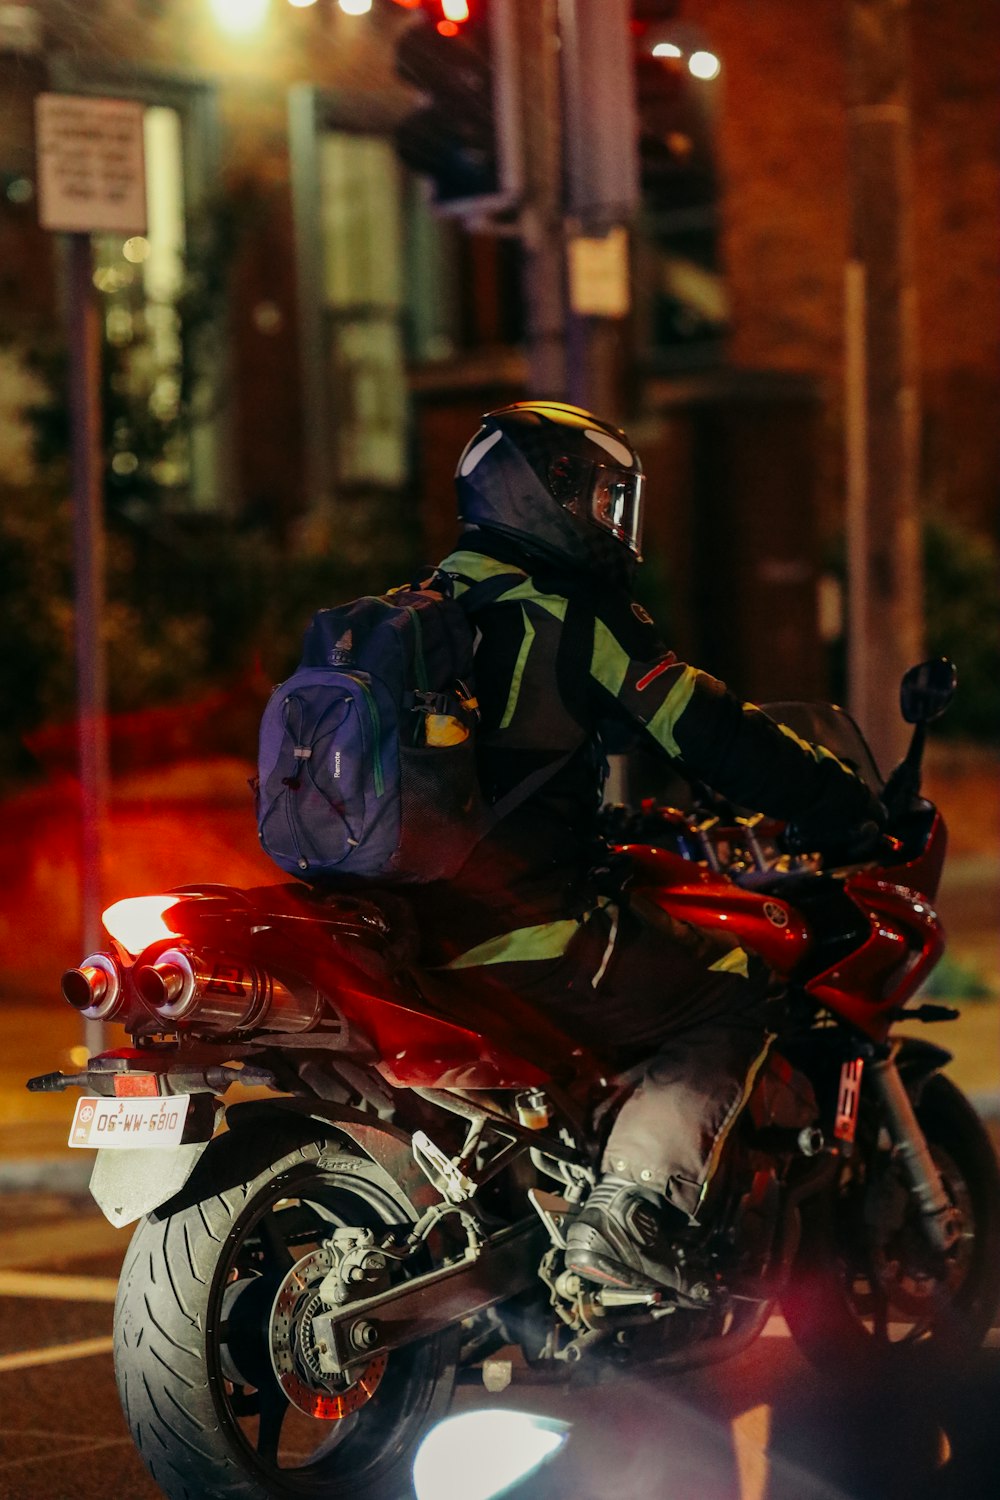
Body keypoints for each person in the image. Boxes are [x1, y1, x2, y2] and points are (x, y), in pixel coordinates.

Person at [414, 399, 883, 1296]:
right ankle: (628, 1218)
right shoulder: (570, 613)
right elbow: (709, 731)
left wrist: (618, 827)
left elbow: (506, 775)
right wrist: (839, 800)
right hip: (519, 930)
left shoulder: (430, 608)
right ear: (542, 493)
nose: (610, 518)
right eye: (598, 494)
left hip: (407, 925)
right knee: (738, 995)